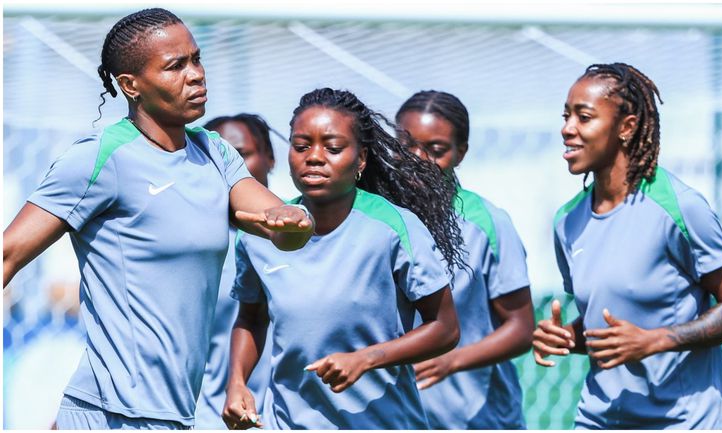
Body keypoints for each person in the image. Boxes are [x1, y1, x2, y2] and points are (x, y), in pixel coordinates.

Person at [2, 8, 313, 430]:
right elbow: (8, 254)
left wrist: (294, 219)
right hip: (108, 413)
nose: (197, 74)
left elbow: (277, 224)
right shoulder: (100, 157)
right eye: (175, 66)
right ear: (131, 86)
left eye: (197, 59)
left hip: (175, 415)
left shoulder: (215, 153)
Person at [534, 62, 722, 429]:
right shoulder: (567, 221)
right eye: (566, 115)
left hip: (683, 422)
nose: (567, 128)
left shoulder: (679, 207)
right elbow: (609, 327)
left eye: (584, 117)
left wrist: (655, 340)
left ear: (626, 127)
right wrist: (566, 337)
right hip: (598, 420)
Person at [222, 88, 464, 429]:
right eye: (301, 146)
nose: (315, 157)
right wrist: (237, 383)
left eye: (333, 148)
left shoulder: (393, 227)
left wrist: (367, 359)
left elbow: (445, 327)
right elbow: (251, 318)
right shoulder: (260, 234)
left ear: (361, 159)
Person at [395, 90, 534, 429]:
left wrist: (451, 361)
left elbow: (521, 328)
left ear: (461, 153)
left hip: (476, 420)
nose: (418, 158)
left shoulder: (486, 222)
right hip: (398, 418)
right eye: (406, 146)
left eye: (436, 149)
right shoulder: (380, 219)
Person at [194, 114, 278, 429]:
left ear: (270, 157)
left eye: (242, 154)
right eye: (214, 159)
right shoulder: (194, 248)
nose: (231, 168)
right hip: (208, 419)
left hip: (291, 418)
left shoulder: (309, 237)